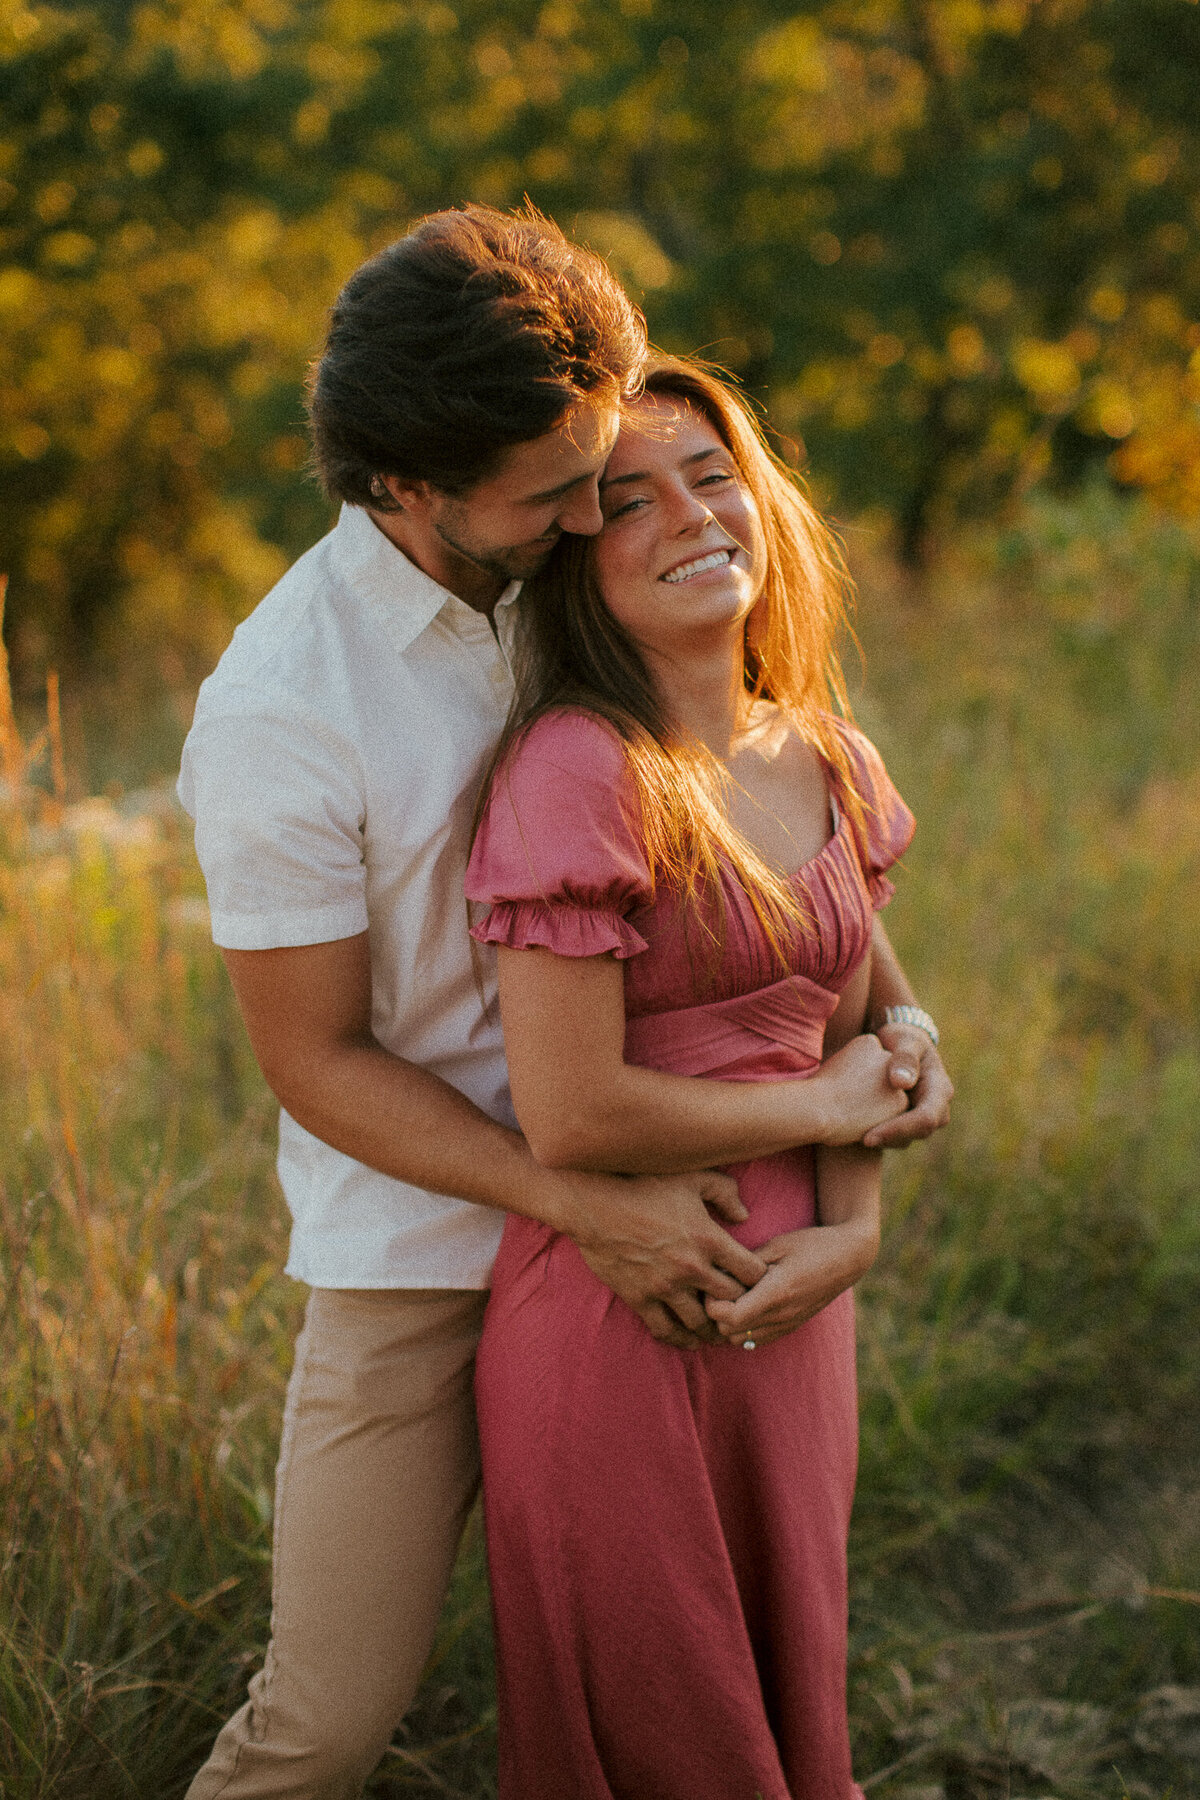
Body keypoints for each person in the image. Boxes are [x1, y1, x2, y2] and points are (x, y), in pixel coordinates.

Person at [179, 204, 951, 1799]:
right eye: (559, 497)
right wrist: (579, 1199)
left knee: (717, 1670)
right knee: (324, 1719)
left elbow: (780, 862)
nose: (597, 511)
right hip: (423, 1253)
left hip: (678, 1214)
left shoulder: (583, 569)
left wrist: (894, 1043)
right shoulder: (282, 709)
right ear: (410, 486)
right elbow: (314, 1061)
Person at [466, 352, 940, 1798]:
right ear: (572, 557)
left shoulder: (833, 760)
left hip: (796, 1310)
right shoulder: (579, 768)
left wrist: (852, 1227)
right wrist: (825, 1108)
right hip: (625, 1310)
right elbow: (574, 1110)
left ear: (764, 502)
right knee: (670, 1737)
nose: (688, 514)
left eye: (712, 474)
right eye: (626, 499)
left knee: (791, 1693)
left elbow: (861, 1023)